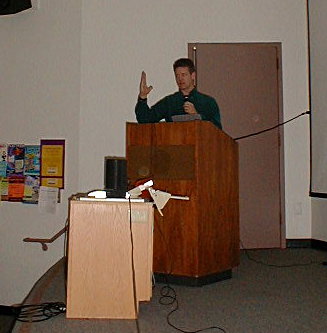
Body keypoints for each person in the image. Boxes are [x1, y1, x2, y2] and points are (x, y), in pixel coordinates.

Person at [135, 58, 222, 129]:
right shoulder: (170, 102)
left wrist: (198, 116)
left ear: (193, 76)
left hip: (202, 149)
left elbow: (217, 130)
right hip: (174, 148)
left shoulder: (208, 102)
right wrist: (142, 97)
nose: (180, 79)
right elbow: (145, 120)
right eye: (177, 75)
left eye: (183, 75)